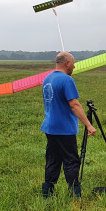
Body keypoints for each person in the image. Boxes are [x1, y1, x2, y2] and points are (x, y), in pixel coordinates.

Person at [40, 52, 96, 198]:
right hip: (64, 128)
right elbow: (74, 104)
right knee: (71, 160)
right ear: (66, 63)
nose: (74, 65)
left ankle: (47, 192)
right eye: (73, 63)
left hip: (50, 127)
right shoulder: (67, 80)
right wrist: (88, 125)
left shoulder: (47, 78)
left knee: (53, 159)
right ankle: (75, 194)